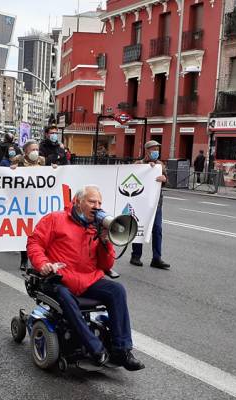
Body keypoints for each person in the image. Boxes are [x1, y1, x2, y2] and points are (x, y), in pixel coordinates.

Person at [27, 185, 145, 371]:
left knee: (117, 290)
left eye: (99, 203)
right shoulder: (55, 219)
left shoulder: (97, 227)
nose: (97, 206)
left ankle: (122, 350)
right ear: (78, 202)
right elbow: (35, 243)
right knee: (65, 297)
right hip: (59, 279)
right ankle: (95, 348)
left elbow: (106, 265)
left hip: (88, 280)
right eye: (92, 202)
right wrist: (43, 264)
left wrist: (105, 242)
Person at [12, 140, 52, 270]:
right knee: (24, 230)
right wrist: (12, 169)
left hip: (38, 200)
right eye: (32, 149)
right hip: (23, 201)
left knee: (40, 231)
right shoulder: (18, 160)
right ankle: (24, 258)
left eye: (37, 149)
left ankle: (42, 259)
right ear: (26, 151)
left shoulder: (42, 160)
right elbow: (9, 176)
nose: (35, 152)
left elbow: (49, 175)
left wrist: (54, 169)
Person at [130, 140, 170, 270]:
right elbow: (131, 177)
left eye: (157, 149)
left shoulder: (160, 165)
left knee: (157, 230)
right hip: (140, 203)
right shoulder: (138, 164)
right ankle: (136, 255)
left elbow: (166, 180)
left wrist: (164, 179)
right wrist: (146, 168)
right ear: (147, 151)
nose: (156, 152)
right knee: (139, 228)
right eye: (153, 149)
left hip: (156, 203)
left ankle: (156, 258)